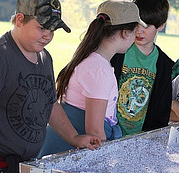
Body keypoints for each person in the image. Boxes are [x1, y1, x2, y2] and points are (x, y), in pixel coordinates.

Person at [0, 0, 101, 173]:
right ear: (20, 20)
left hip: (29, 163)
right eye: (42, 28)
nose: (48, 35)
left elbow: (51, 105)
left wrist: (74, 138)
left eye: (52, 30)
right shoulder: (3, 55)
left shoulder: (45, 58)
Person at [37, 0, 148, 158]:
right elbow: (95, 133)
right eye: (135, 31)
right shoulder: (99, 70)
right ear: (125, 32)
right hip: (67, 154)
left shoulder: (94, 61)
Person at [110, 0, 174, 136]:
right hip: (107, 134)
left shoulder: (165, 65)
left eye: (147, 25)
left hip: (141, 140)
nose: (139, 31)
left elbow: (161, 112)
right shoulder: (116, 52)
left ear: (161, 25)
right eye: (137, 23)